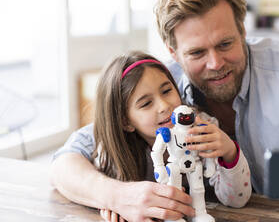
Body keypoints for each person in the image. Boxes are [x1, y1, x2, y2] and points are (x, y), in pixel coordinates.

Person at [50, 0, 279, 211]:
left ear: (243, 30)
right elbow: (65, 160)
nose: (216, 63)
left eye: (225, 43)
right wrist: (118, 196)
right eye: (197, 53)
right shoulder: (164, 84)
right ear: (173, 52)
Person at [51, 51, 251, 222]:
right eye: (146, 104)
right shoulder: (110, 153)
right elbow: (63, 170)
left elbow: (237, 199)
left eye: (166, 90)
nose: (164, 105)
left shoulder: (203, 128)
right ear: (125, 121)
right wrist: (110, 203)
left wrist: (229, 152)